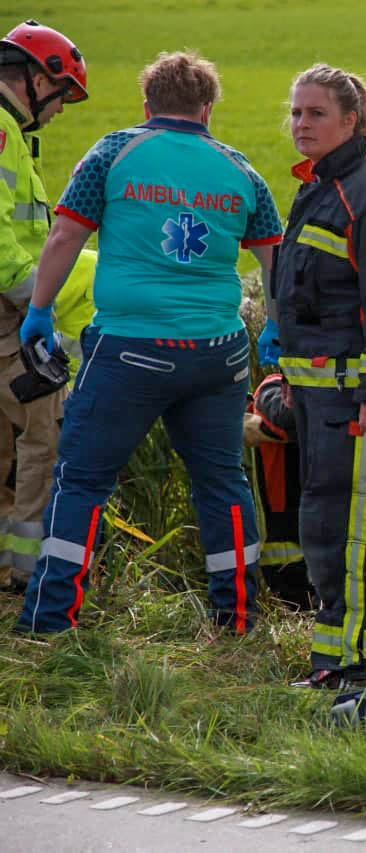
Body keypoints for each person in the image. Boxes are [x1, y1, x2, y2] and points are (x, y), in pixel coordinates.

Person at [16, 50, 282, 634]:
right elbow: (274, 264)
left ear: (147, 105)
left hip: (130, 350)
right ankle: (236, 620)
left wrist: (38, 312)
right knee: (222, 483)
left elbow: (64, 236)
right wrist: (277, 331)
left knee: (82, 481)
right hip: (218, 352)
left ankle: (50, 622)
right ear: (208, 110)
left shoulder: (113, 152)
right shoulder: (240, 169)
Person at [268, 64, 366, 687]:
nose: (301, 124)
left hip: (353, 394)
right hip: (318, 389)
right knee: (365, 512)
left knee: (341, 523)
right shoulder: (323, 188)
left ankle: (345, 661)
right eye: (297, 112)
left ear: (350, 121)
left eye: (316, 114)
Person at [0, 20, 91, 591]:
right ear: (37, 79)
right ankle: (24, 583)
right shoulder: (2, 134)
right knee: (42, 437)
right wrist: (36, 299)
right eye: (61, 97)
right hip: (10, 315)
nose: (59, 111)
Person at [243, 372, 313, 610]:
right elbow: (288, 419)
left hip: (301, 535)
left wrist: (262, 428)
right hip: (285, 540)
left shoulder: (272, 391)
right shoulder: (271, 390)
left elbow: (290, 421)